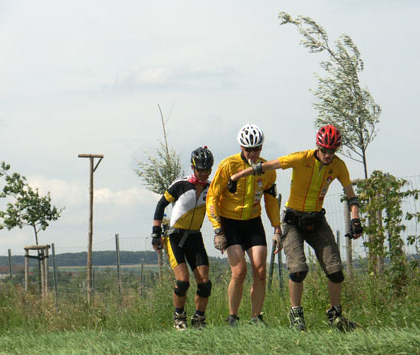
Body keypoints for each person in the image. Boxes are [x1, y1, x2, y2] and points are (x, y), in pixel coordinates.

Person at [235, 124, 363, 331]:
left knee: (336, 271)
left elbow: (351, 195)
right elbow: (268, 166)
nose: (328, 155)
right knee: (298, 270)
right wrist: (236, 177)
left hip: (317, 220)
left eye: (332, 151)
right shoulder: (301, 158)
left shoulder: (338, 166)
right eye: (324, 150)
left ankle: (335, 316)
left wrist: (355, 219)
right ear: (317, 146)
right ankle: (296, 314)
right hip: (292, 221)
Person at [206, 123, 281, 327]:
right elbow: (212, 197)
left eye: (256, 149)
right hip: (229, 223)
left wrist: (277, 227)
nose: (252, 154)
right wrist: (217, 229)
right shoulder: (228, 166)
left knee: (260, 270)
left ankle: (256, 318)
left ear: (261, 148)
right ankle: (232, 316)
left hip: (252, 222)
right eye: (248, 149)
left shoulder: (266, 169)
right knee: (239, 271)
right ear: (241, 147)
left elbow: (271, 200)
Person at [151, 147, 213, 329]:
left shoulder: (211, 187)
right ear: (193, 168)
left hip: (195, 237)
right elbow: (161, 205)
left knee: (204, 283)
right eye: (199, 169)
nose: (203, 173)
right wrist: (156, 233)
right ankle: (179, 317)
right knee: (183, 282)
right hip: (175, 237)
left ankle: (199, 320)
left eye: (207, 170)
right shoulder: (181, 185)